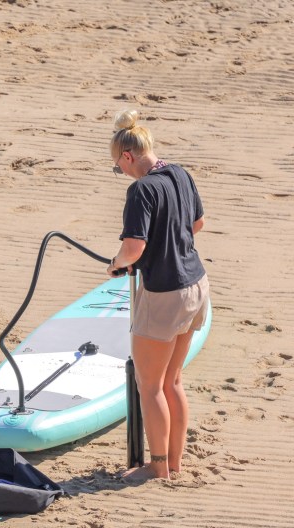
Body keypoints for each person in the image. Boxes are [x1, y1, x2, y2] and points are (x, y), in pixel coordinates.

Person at [107, 110, 209, 481]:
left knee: (149, 386)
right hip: (197, 284)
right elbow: (196, 223)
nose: (122, 173)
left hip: (165, 292)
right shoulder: (179, 173)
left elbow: (133, 248)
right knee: (173, 381)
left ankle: (157, 467)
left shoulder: (141, 190)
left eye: (119, 167)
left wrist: (117, 263)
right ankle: (176, 465)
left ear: (128, 156)